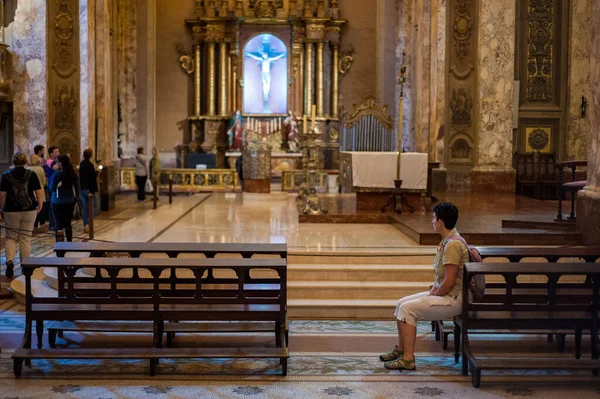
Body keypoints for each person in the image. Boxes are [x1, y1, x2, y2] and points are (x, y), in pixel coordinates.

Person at [379, 202, 468, 370]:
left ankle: (408, 359)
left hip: (455, 299)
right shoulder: (447, 241)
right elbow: (440, 278)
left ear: (441, 222)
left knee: (408, 310)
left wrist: (434, 295)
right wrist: (431, 293)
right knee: (401, 304)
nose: (432, 221)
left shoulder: (453, 245)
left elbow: (448, 282)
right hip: (447, 294)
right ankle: (401, 349)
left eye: (434, 218)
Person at [0, 152, 43, 278]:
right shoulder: (32, 174)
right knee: (25, 238)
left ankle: (10, 262)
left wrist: (2, 208)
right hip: (29, 210)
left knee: (11, 237)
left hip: (11, 210)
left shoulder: (6, 175)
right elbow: (39, 193)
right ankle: (25, 267)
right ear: (25, 162)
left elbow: (2, 195)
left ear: (13, 162)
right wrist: (40, 205)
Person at [50, 155, 80, 242]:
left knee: (58, 224)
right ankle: (69, 243)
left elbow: (52, 188)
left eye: (58, 162)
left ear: (61, 163)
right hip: (69, 201)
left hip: (57, 201)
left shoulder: (57, 173)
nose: (57, 164)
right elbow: (76, 188)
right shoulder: (72, 173)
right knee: (68, 224)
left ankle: (60, 246)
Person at [79, 149, 99, 233]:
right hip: (89, 189)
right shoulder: (89, 164)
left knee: (84, 207)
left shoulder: (82, 164)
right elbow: (93, 176)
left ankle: (85, 224)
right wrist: (97, 171)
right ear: (91, 155)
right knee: (93, 206)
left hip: (82, 188)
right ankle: (89, 223)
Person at [27, 154, 47, 228]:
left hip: (30, 191)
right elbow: (44, 181)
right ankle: (42, 223)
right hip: (40, 190)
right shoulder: (40, 169)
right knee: (41, 208)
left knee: (33, 208)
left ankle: (34, 224)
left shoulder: (27, 168)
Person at [45, 146, 60, 231]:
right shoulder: (50, 161)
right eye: (55, 152)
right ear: (51, 153)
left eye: (58, 151)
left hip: (56, 185)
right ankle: (52, 224)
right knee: (52, 205)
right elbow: (56, 167)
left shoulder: (56, 161)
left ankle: (56, 223)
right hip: (51, 185)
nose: (57, 153)